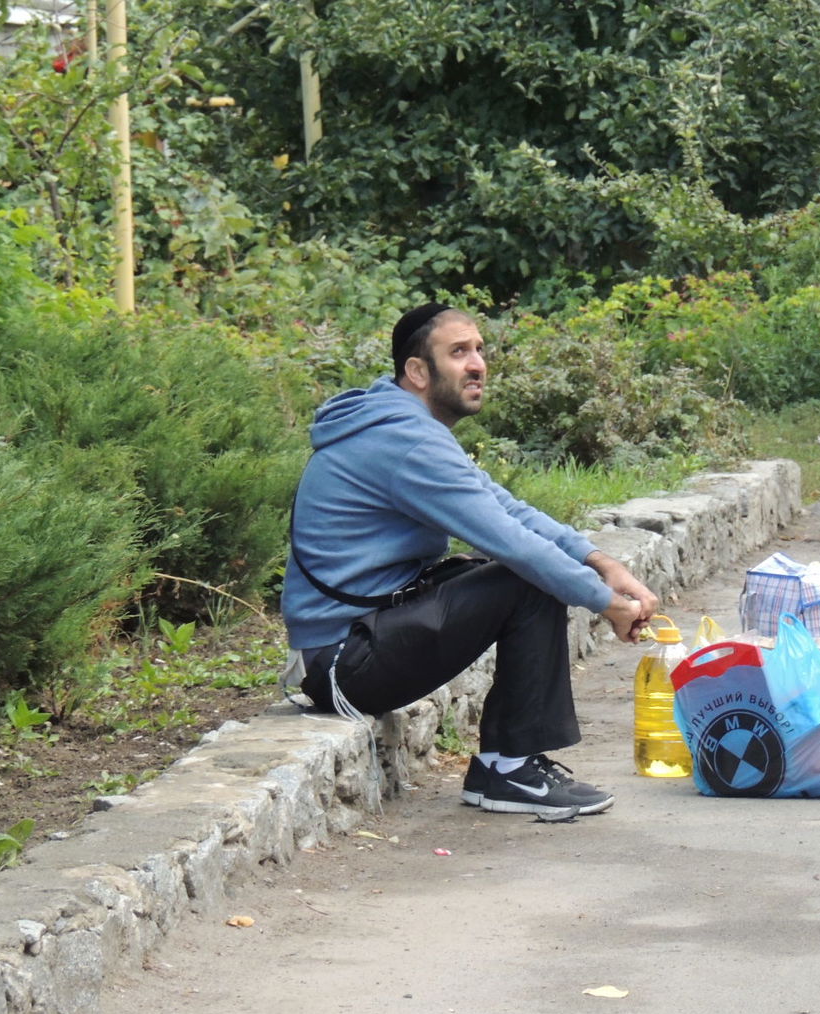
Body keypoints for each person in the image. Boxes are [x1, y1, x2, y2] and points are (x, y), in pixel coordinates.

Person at [282, 303, 659, 818]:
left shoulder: (402, 426)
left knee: (508, 573)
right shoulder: (405, 442)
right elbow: (513, 543)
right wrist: (607, 603)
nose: (478, 364)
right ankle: (508, 770)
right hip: (345, 663)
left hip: (358, 639)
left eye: (479, 350)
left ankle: (506, 765)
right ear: (418, 371)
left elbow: (507, 508)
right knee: (526, 580)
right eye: (458, 352)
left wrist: (601, 562)